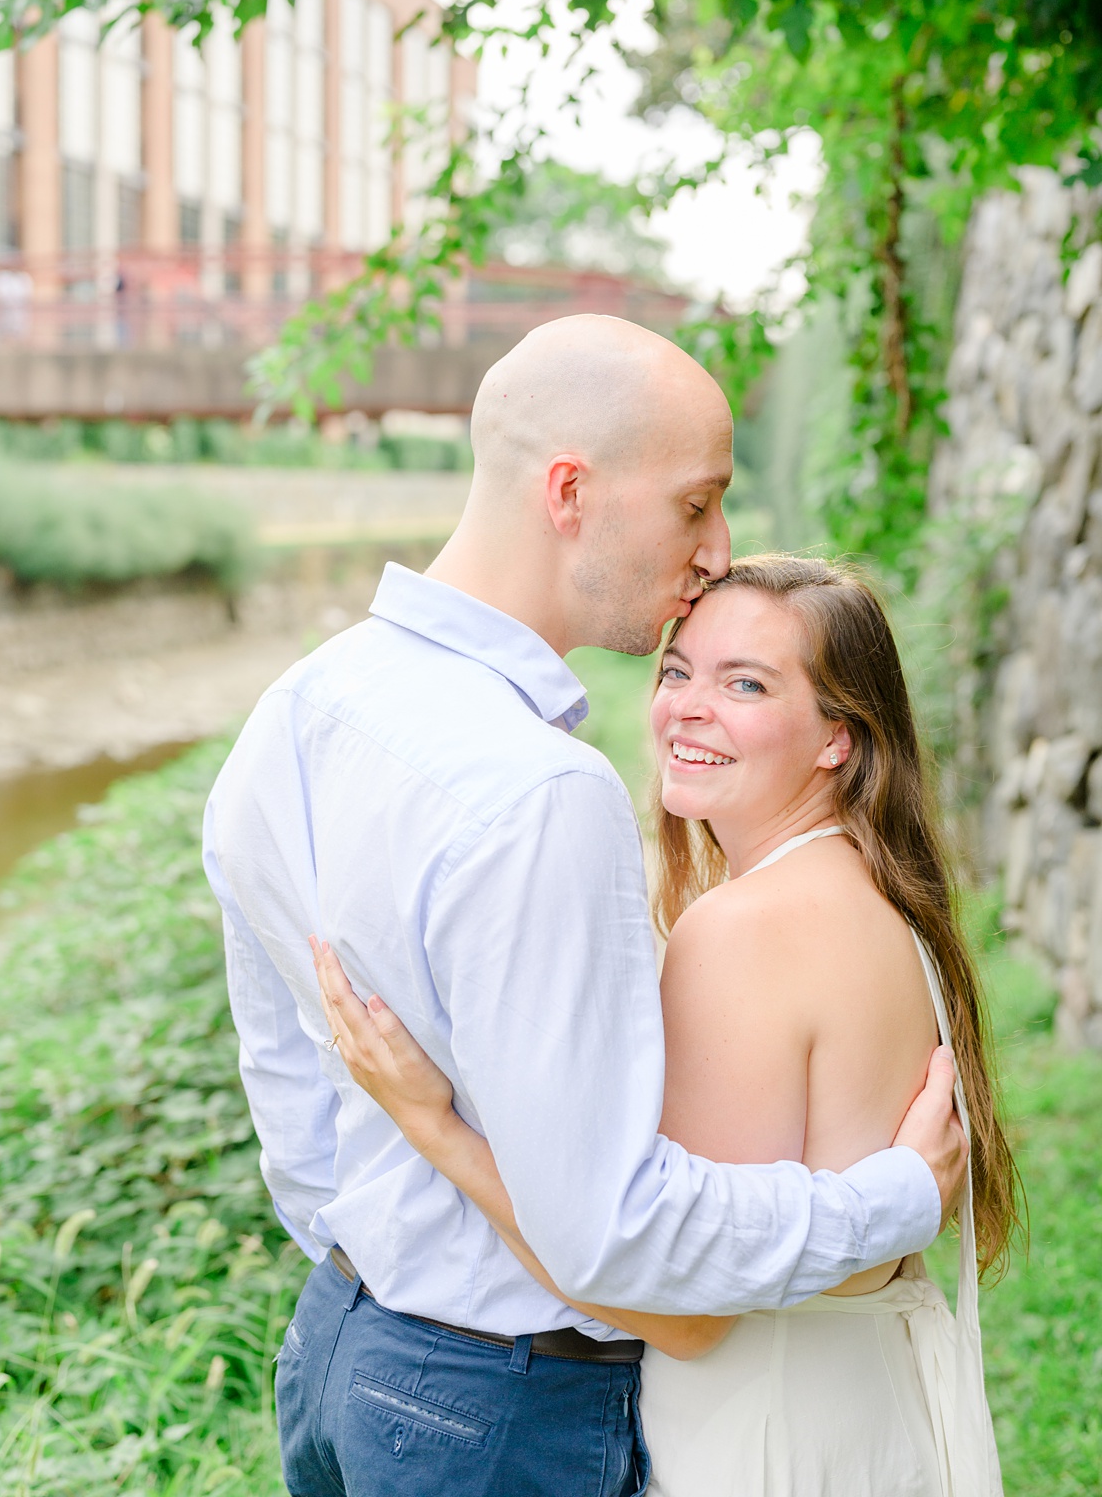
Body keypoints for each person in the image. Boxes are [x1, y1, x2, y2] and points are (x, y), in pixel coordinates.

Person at [201, 315, 969, 1496]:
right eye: (697, 503)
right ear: (571, 491)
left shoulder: (300, 707)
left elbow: (292, 1094)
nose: (716, 548)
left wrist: (383, 1236)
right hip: (501, 1397)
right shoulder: (540, 791)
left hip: (340, 1343)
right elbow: (623, 1240)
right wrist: (892, 1200)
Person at [312, 555, 1009, 1494]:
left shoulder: (745, 928)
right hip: (865, 1411)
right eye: (678, 671)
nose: (688, 705)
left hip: (764, 1437)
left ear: (838, 737)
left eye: (746, 684)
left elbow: (680, 1310)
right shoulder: (880, 894)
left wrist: (431, 1122)